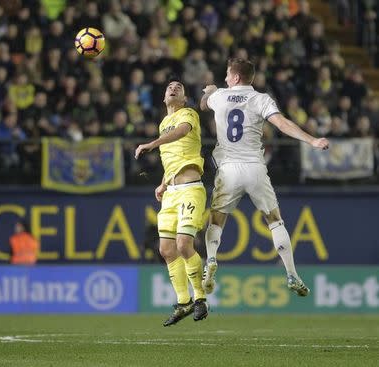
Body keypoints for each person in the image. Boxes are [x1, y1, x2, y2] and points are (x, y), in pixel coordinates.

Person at [200, 58, 329, 297]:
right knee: (274, 220)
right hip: (255, 168)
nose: (226, 78)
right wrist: (312, 140)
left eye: (228, 75)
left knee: (216, 220)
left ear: (236, 77)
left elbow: (203, 105)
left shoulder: (219, 96)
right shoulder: (261, 99)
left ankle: (210, 260)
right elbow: (282, 124)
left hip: (228, 169)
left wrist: (210, 92)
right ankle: (291, 273)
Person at [135, 78, 208, 326]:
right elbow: (171, 159)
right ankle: (183, 301)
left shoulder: (188, 114)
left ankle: (200, 298)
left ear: (184, 98)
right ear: (164, 98)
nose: (173, 88)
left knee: (184, 244)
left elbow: (181, 134)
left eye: (178, 87)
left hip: (190, 189)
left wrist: (152, 144)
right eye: (169, 88)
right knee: (166, 249)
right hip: (171, 192)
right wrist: (164, 183)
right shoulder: (164, 123)